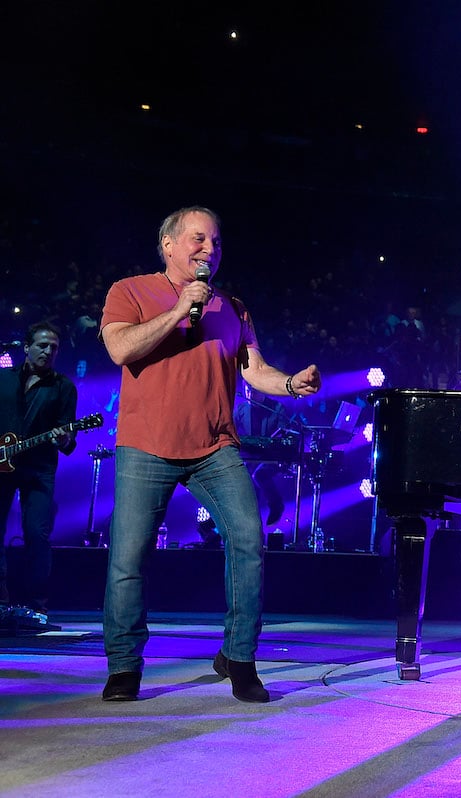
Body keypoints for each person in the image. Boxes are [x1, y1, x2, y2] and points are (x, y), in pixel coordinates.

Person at [98, 206, 321, 703]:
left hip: (214, 446)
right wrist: (179, 310)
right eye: (199, 240)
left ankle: (239, 659)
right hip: (146, 443)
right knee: (129, 558)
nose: (209, 251)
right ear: (169, 245)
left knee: (248, 538)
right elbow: (120, 350)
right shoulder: (129, 291)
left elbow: (253, 369)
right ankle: (125, 666)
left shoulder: (234, 307)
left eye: (217, 243)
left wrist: (289, 384)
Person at [0, 322, 79, 614]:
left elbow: (69, 440)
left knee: (37, 534)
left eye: (53, 347)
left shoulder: (64, 387)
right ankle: (1, 602)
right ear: (26, 348)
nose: (48, 351)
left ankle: (37, 605)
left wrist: (64, 439)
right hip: (2, 466)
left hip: (39, 468)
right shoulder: (4, 380)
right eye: (42, 345)